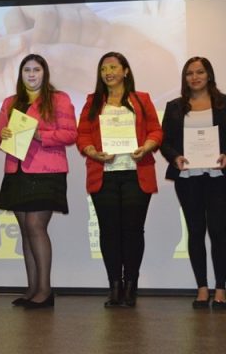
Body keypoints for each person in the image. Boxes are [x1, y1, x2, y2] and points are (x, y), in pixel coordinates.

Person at [77, 52, 162, 307]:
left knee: (133, 231)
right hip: (104, 175)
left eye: (113, 67)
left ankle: (131, 285)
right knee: (109, 232)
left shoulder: (141, 99)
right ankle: (114, 285)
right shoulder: (93, 102)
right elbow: (82, 136)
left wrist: (146, 147)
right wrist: (93, 152)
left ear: (125, 71)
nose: (108, 72)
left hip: (136, 173)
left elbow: (156, 130)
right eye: (104, 68)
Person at [0, 53, 77, 309]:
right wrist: (3, 134)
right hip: (17, 171)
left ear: (45, 73)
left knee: (35, 226)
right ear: (21, 74)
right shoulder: (10, 102)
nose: (32, 75)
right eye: (27, 70)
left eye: (37, 70)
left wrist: (40, 135)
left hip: (47, 171)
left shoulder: (59, 99)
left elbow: (70, 133)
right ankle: (32, 289)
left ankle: (45, 290)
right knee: (25, 231)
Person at [160, 57, 226, 309]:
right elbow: (165, 141)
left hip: (218, 178)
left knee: (219, 232)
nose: (194, 77)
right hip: (188, 179)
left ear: (209, 74)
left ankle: (221, 288)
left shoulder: (223, 104)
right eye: (189, 73)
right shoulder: (175, 106)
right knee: (196, 231)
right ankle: (201, 288)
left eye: (200, 72)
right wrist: (175, 156)